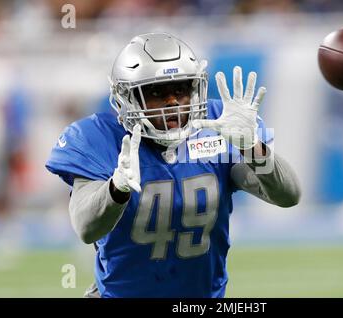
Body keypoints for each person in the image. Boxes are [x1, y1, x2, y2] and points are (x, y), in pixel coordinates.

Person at [46, 32, 300, 298]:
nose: (172, 102)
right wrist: (116, 189)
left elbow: (288, 196)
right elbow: (86, 228)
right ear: (127, 98)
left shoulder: (217, 125)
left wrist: (252, 147)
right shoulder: (99, 137)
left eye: (181, 89)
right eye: (156, 92)